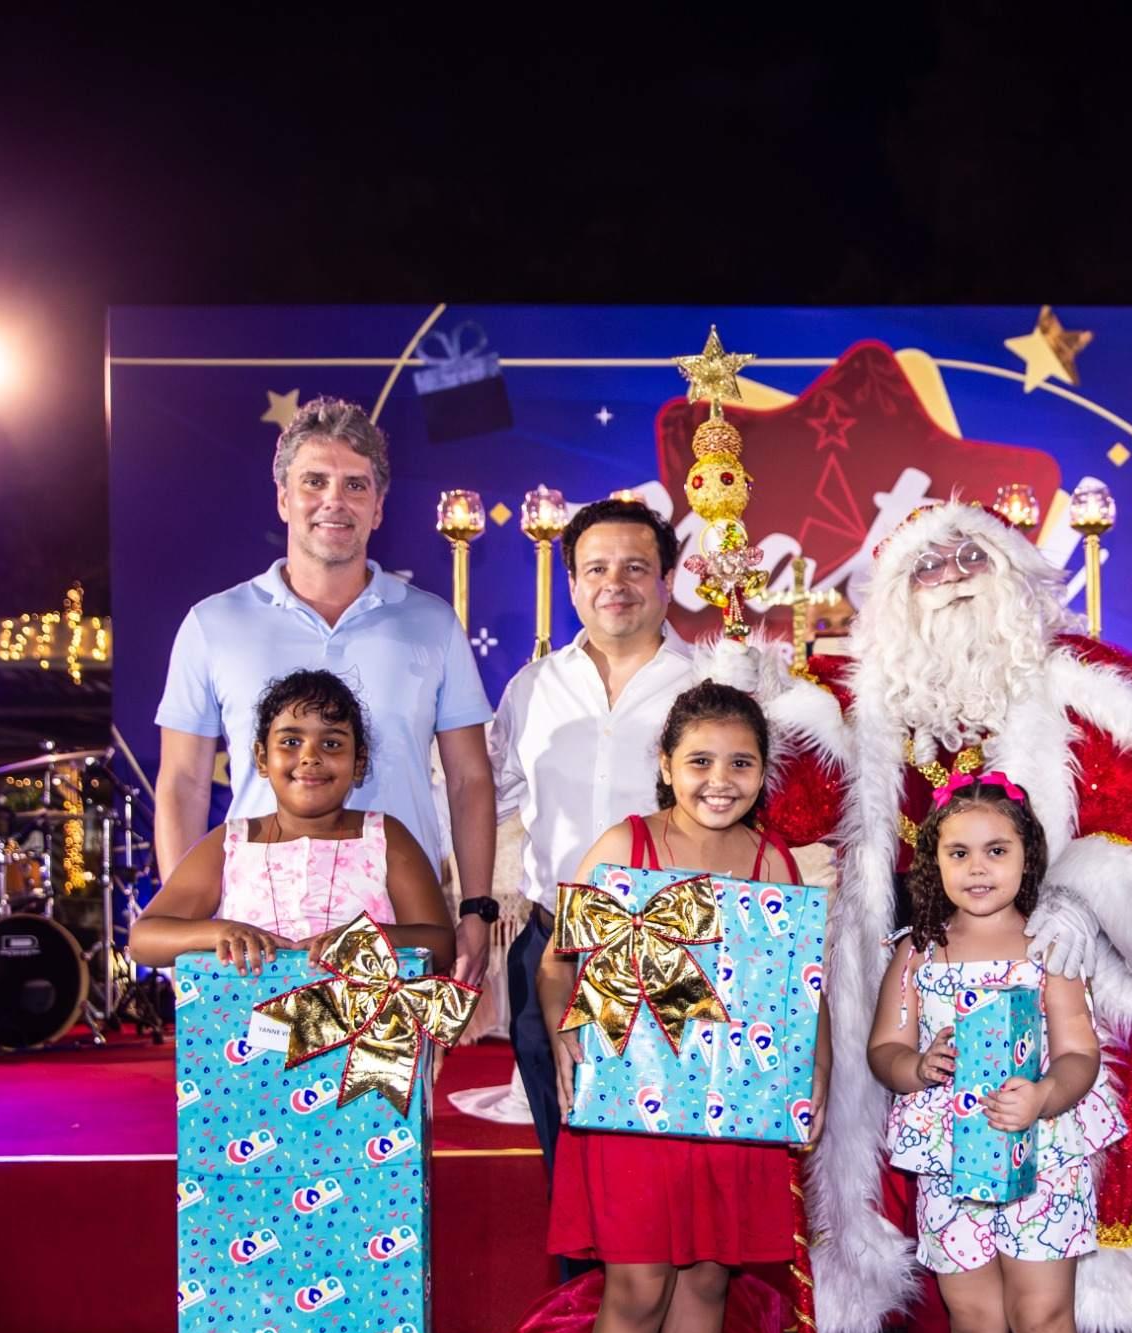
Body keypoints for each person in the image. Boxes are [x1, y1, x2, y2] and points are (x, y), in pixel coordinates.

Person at [761, 498, 1132, 1333]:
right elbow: (779, 806)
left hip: (1048, 976)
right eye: (927, 566)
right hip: (912, 980)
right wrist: (745, 684)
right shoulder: (853, 699)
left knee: (1063, 1179)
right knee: (930, 1186)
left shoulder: (1086, 683)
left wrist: (1083, 902)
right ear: (891, 593)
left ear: (1014, 576)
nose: (952, 579)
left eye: (973, 559)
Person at [531, 683, 826, 1333]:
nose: (719, 779)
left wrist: (811, 1075)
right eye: (699, 761)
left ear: (765, 773)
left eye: (741, 763)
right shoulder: (626, 846)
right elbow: (560, 962)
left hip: (736, 1110)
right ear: (665, 765)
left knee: (706, 1279)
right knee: (636, 1285)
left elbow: (803, 988)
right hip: (635, 1106)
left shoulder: (773, 861)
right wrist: (566, 1030)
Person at [488, 497, 838, 1182]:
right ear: (571, 583)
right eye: (595, 568)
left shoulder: (715, 683)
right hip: (558, 947)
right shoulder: (531, 688)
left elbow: (765, 807)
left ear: (668, 580)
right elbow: (492, 797)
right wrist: (475, 909)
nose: (613, 584)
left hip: (703, 957)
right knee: (575, 1166)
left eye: (635, 567)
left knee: (691, 1178)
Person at [153, 398, 496, 987]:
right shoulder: (213, 623)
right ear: (283, 497)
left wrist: (476, 908)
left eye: (355, 485)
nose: (334, 500)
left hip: (398, 935)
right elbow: (183, 781)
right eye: (314, 481)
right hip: (256, 942)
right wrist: (188, 925)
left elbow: (469, 778)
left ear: (378, 507)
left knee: (391, 1059)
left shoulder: (432, 623)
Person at [875, 778, 1117, 1333]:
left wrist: (1046, 1094)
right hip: (953, 1159)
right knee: (972, 1315)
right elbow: (885, 1047)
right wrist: (916, 1067)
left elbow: (1080, 1053)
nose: (978, 867)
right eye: (958, 853)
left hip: (1042, 1159)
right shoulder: (917, 953)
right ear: (932, 863)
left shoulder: (1051, 949)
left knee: (1042, 1316)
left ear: (1027, 858)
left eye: (996, 850)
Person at [131, 669, 453, 976]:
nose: (310, 757)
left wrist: (368, 937)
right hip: (246, 1017)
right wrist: (220, 932)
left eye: (331, 744)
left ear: (359, 762)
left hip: (364, 1016)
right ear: (262, 758)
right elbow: (144, 940)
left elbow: (441, 944)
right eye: (290, 742)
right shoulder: (232, 844)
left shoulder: (383, 837)